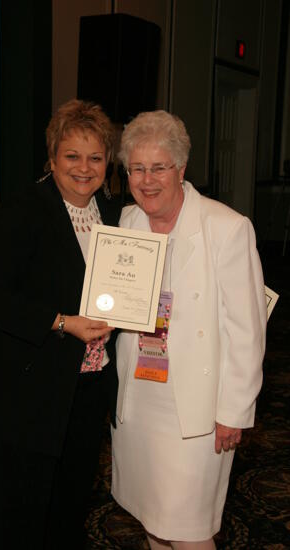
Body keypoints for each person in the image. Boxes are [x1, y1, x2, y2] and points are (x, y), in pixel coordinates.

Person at [0, 99, 121, 549]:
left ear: (107, 162)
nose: (84, 168)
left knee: (70, 506)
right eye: (72, 155)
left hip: (87, 387)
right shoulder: (23, 212)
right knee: (21, 516)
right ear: (52, 157)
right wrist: (60, 322)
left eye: (95, 157)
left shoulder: (113, 215)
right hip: (25, 392)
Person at [111, 110, 267, 550]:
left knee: (189, 529)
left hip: (196, 409)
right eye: (137, 168)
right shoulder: (128, 222)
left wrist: (233, 411)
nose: (147, 180)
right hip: (140, 397)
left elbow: (247, 330)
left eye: (158, 167)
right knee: (152, 519)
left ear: (181, 168)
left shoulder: (226, 228)